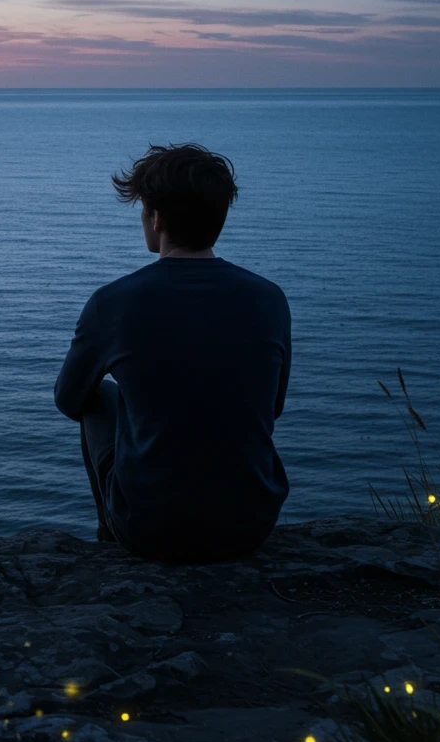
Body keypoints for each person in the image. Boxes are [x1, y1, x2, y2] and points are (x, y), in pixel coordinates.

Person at [53, 141, 292, 564]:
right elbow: (271, 409)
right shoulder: (269, 299)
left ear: (156, 217)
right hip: (250, 527)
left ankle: (111, 535)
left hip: (151, 532)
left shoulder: (114, 302)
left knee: (98, 397)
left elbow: (69, 399)